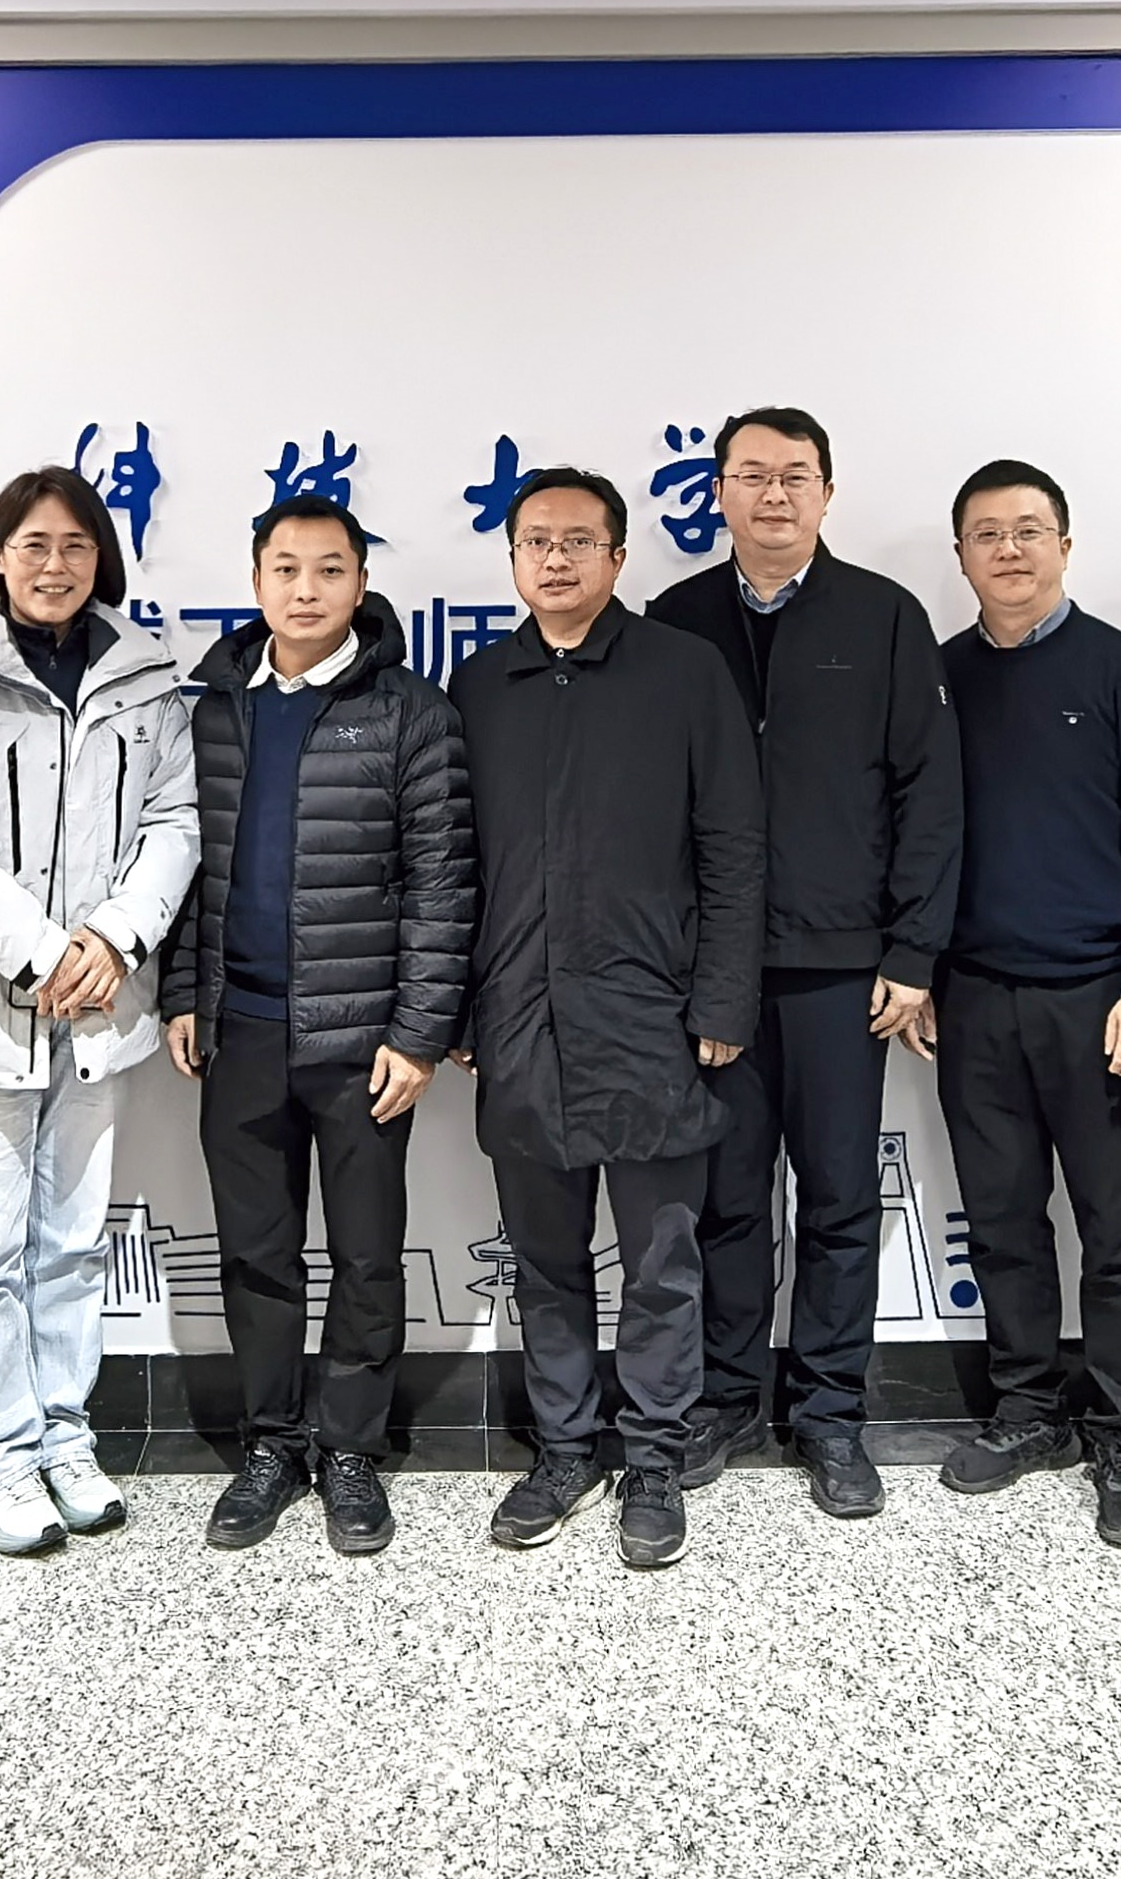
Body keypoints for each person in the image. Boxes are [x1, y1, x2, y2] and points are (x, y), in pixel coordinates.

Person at [0, 468, 199, 1557]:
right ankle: (0, 1456)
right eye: (31, 545)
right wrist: (43, 947)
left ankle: (65, 1434)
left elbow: (174, 824)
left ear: (101, 558)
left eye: (74, 545)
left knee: (69, 1243)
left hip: (100, 1007)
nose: (53, 565)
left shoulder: (146, 680)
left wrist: (113, 938)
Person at [647, 408, 959, 1520]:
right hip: (715, 973)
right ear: (717, 493)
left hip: (843, 966)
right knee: (727, 1198)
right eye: (750, 475)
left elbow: (930, 792)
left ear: (827, 492)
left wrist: (913, 949)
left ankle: (829, 1411)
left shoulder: (883, 615)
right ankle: (729, 1397)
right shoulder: (676, 621)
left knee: (836, 1196)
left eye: (794, 475)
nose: (772, 494)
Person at [458, 468, 765, 1573]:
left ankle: (654, 1456)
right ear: (511, 560)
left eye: (578, 541)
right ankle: (562, 1449)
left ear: (618, 558)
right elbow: (450, 863)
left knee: (660, 1263)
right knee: (545, 1263)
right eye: (535, 541)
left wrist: (723, 999)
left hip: (652, 1019)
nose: (555, 559)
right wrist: (459, 1010)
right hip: (520, 1020)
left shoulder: (682, 672)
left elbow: (734, 845)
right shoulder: (479, 685)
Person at [168, 497, 476, 1556]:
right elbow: (185, 867)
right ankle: (270, 1446)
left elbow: (442, 885)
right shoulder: (212, 708)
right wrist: (183, 993)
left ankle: (350, 1450)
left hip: (361, 1042)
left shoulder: (411, 712)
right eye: (287, 568)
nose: (306, 589)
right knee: (255, 1255)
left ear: (361, 584)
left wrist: (419, 1033)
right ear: (255, 580)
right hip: (240, 1031)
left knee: (366, 1256)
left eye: (329, 569)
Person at [930, 460, 1121, 1552]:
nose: (1009, 550)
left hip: (1102, 1001)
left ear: (1065, 545)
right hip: (972, 998)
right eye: (986, 534)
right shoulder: (936, 678)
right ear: (959, 555)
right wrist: (918, 967)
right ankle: (1027, 1409)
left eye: (1029, 530)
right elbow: (910, 840)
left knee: (1118, 1231)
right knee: (1001, 1222)